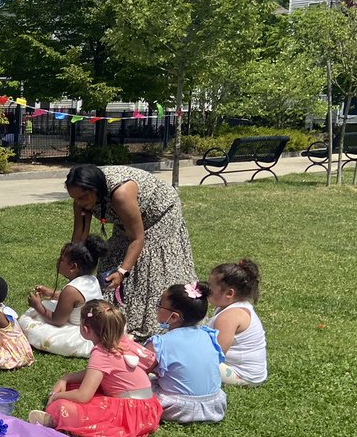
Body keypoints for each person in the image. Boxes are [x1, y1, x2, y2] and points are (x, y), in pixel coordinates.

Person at [64, 164, 196, 339]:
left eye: (82, 197)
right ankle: (117, 311)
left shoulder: (121, 194)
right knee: (113, 256)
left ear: (95, 189)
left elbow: (137, 239)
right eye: (75, 198)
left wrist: (122, 272)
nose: (79, 203)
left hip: (160, 214)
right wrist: (73, 262)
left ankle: (151, 317)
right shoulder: (83, 197)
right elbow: (79, 236)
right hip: (127, 216)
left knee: (146, 262)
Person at [27, 300, 162, 437]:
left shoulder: (101, 352)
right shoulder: (122, 341)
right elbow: (96, 373)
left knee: (63, 406)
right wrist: (66, 378)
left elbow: (83, 396)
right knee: (73, 386)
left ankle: (53, 418)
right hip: (149, 409)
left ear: (85, 329)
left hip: (131, 414)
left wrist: (56, 397)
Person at [140, 283, 226, 423]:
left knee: (136, 385)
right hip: (214, 406)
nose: (157, 307)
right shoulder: (208, 335)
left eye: (160, 304)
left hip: (176, 408)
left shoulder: (159, 343)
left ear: (174, 317)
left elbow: (139, 372)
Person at [18, 235, 105, 357]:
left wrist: (37, 305)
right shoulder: (91, 279)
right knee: (47, 304)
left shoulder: (71, 290)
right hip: (95, 325)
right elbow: (76, 301)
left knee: (27, 321)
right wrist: (51, 294)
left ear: (73, 267)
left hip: (79, 332)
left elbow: (57, 320)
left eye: (62, 259)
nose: (58, 261)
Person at [207, 259, 267, 386]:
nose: (206, 290)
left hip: (242, 375)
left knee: (188, 365)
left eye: (210, 287)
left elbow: (215, 354)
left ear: (229, 293)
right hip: (249, 372)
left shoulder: (230, 317)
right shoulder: (230, 307)